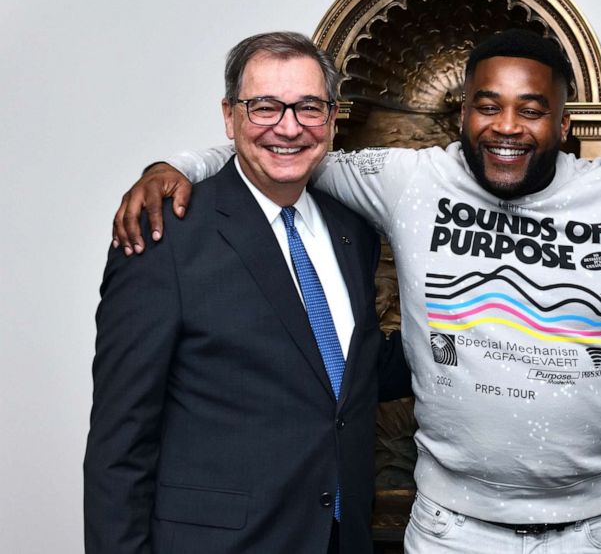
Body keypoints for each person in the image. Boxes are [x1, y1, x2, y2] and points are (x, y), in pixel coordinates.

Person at [110, 30, 601, 553]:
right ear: (462, 111)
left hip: (589, 529)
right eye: (488, 105)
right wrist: (173, 164)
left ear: (564, 123)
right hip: (450, 527)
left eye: (532, 109)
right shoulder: (405, 180)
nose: (508, 126)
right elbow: (281, 144)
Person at [84, 32, 408, 554]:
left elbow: (347, 373)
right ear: (230, 115)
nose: (289, 126)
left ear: (331, 116)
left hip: (341, 539)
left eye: (308, 107)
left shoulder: (354, 231)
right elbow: (120, 443)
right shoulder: (164, 236)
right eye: (264, 107)